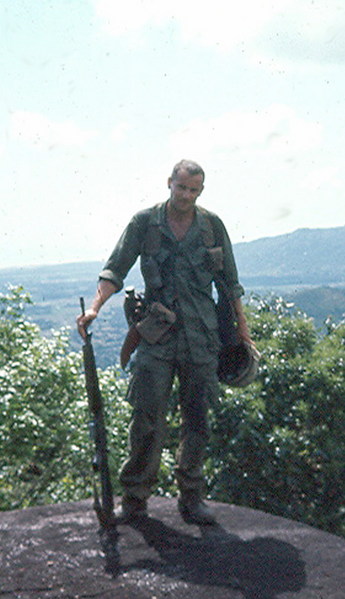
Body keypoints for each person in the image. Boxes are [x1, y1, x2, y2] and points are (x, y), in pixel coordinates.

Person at [77, 159, 253, 525]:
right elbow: (115, 268)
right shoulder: (145, 223)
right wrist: (94, 307)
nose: (186, 195)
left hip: (203, 338)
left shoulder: (212, 226)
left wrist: (243, 332)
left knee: (197, 420)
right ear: (169, 183)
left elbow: (231, 283)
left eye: (193, 190)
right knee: (146, 418)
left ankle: (191, 496)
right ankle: (136, 499)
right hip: (157, 336)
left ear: (201, 191)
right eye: (181, 187)